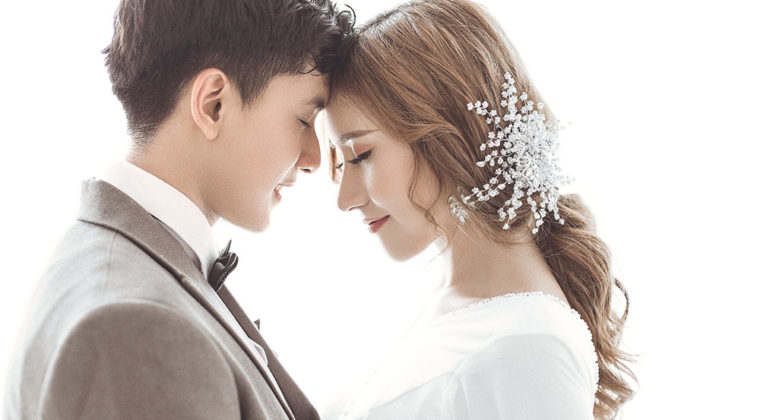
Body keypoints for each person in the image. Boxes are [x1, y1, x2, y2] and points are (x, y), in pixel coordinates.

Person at [3, 0, 353, 419]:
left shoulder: (133, 270)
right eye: (303, 119)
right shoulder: (131, 328)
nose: (314, 158)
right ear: (212, 104)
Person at [325, 0, 636, 418]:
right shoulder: (452, 306)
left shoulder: (528, 349)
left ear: (447, 135)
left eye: (360, 155)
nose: (345, 199)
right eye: (340, 165)